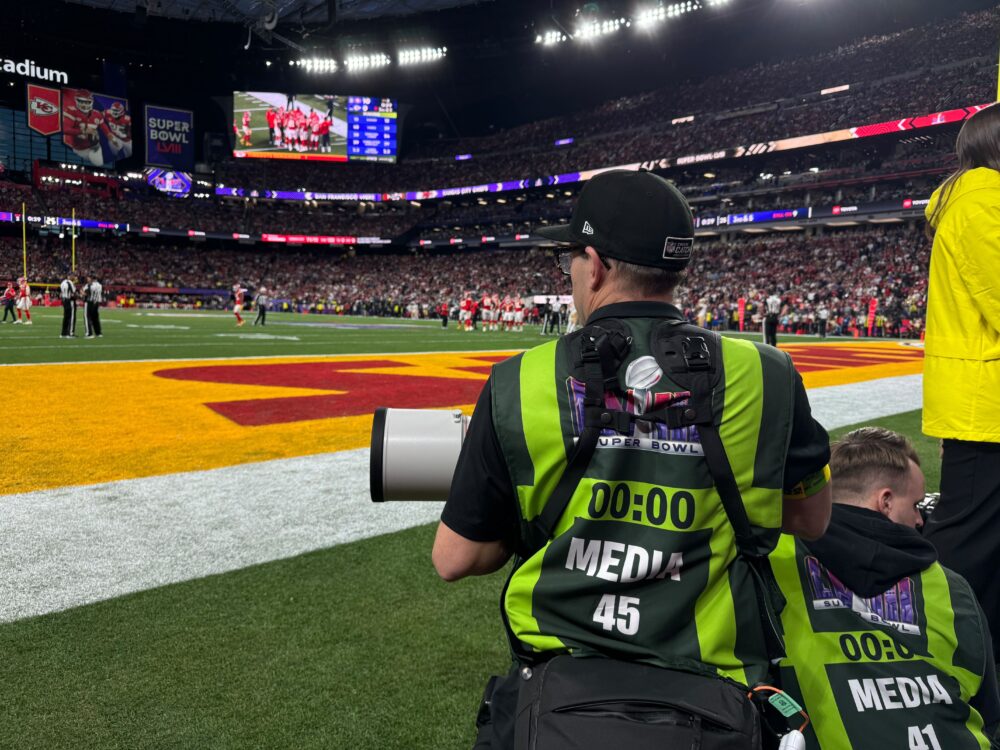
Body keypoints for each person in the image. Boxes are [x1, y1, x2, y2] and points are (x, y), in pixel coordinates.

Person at [432, 170, 832, 749]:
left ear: (594, 265)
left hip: (562, 687)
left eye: (570, 257)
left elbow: (455, 557)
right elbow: (810, 519)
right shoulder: (768, 374)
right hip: (715, 697)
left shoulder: (521, 380)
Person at [772, 427, 1000, 748]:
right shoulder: (951, 588)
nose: (921, 520)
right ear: (886, 502)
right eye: (916, 505)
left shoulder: (775, 558)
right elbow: (988, 714)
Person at [922, 103, 1000, 667]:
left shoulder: (976, 199)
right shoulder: (981, 201)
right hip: (986, 407)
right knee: (971, 546)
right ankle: (942, 656)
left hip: (984, 401)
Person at [59, 273, 77, 338]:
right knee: (71, 317)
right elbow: (73, 292)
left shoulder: (62, 282)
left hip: (64, 300)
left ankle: (63, 333)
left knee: (66, 317)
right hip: (70, 301)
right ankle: (70, 333)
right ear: (69, 276)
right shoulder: (70, 283)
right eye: (73, 276)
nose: (74, 277)